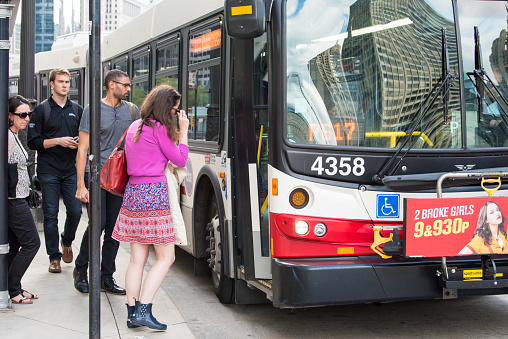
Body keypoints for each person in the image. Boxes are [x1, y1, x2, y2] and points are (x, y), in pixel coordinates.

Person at [112, 85, 189, 330]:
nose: (175, 115)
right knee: (167, 257)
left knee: (137, 258)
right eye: (174, 110)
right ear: (164, 108)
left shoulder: (135, 126)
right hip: (154, 193)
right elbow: (180, 159)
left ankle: (132, 313)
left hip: (133, 194)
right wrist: (183, 132)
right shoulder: (158, 129)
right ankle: (144, 310)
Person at [74, 69, 140, 294]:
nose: (129, 89)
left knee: (114, 229)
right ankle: (81, 271)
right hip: (97, 178)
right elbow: (82, 149)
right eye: (125, 85)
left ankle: (106, 277)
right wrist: (81, 185)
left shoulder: (132, 111)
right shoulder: (92, 110)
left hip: (121, 178)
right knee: (97, 224)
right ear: (112, 85)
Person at [27, 68, 83, 273]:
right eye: (60, 82)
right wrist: (58, 141)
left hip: (70, 170)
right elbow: (33, 142)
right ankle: (54, 257)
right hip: (48, 170)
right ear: (52, 84)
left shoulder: (77, 110)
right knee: (50, 214)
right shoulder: (42, 110)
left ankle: (66, 241)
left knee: (76, 211)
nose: (65, 85)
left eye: (67, 82)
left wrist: (78, 144)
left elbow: (86, 138)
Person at [7, 95, 41, 304]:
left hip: (18, 197)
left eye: (28, 114)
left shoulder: (14, 135)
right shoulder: (7, 138)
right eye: (22, 114)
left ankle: (12, 287)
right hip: (13, 200)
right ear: (10, 116)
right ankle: (12, 288)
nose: (27, 118)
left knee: (14, 245)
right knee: (31, 242)